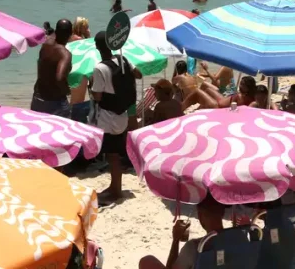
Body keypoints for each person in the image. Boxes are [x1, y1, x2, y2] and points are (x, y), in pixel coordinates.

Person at [91, 31, 141, 206]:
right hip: (123, 113)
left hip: (108, 116)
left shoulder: (100, 68)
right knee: (116, 153)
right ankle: (115, 186)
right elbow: (138, 74)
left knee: (112, 155)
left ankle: (116, 189)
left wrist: (92, 86)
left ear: (97, 47)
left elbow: (97, 96)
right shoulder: (124, 60)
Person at [139, 195, 231, 269]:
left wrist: (175, 240)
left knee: (146, 261)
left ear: (199, 216)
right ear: (222, 212)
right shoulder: (239, 239)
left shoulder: (194, 248)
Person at [31, 19, 73, 117]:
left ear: (56, 31)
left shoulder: (46, 44)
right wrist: (67, 90)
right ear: (70, 34)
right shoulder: (65, 54)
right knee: (62, 130)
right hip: (55, 102)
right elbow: (60, 78)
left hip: (38, 98)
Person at [69, 17, 92, 123]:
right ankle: (74, 121)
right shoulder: (79, 40)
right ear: (82, 28)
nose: (88, 29)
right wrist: (88, 36)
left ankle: (71, 118)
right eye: (86, 27)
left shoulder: (71, 38)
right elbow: (90, 51)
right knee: (78, 99)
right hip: (79, 70)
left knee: (74, 98)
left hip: (72, 69)